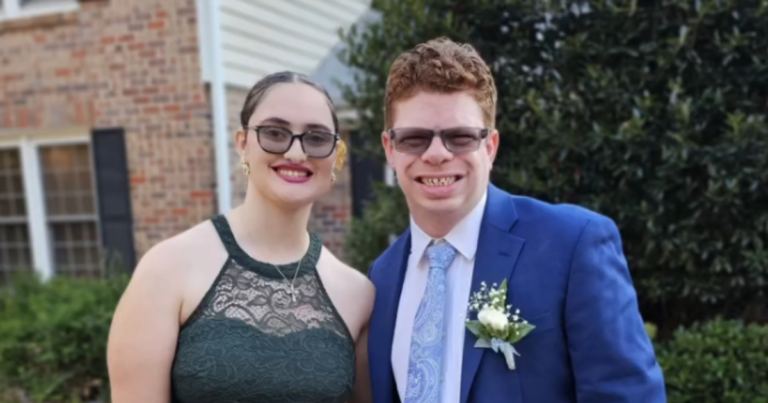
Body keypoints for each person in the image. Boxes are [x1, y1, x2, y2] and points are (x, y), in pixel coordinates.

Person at [366, 37, 666, 403]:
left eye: (460, 137)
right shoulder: (380, 278)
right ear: (390, 149)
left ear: (490, 147)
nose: (437, 154)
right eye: (414, 139)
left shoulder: (572, 246)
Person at [107, 71, 374, 403]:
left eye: (316, 138)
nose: (296, 153)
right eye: (275, 133)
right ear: (243, 144)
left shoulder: (358, 295)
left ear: (335, 155)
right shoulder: (167, 269)